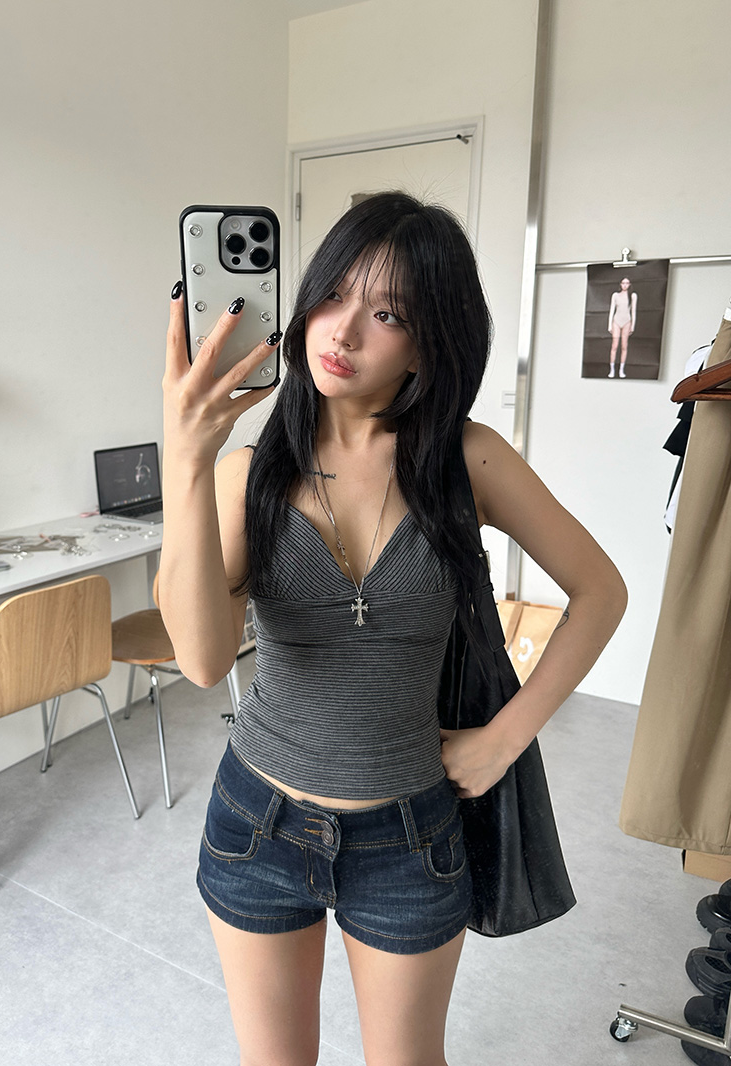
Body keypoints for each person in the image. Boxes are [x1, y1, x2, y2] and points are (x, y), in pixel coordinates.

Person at [159, 191, 627, 1066]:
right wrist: (187, 460)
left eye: (387, 314)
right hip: (257, 822)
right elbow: (201, 661)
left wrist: (503, 740)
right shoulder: (246, 475)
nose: (343, 331)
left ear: (428, 341)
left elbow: (601, 591)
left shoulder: (468, 459)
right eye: (334, 294)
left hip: (410, 834)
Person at [607, 276, 637, 378]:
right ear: (620, 284)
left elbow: (633, 311)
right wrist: (609, 325)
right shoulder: (615, 295)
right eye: (623, 283)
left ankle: (621, 370)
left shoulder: (632, 296)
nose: (625, 285)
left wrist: (633, 325)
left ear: (629, 284)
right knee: (614, 346)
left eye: (627, 283)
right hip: (616, 321)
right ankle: (612, 369)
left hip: (627, 321)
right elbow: (612, 310)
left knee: (624, 346)